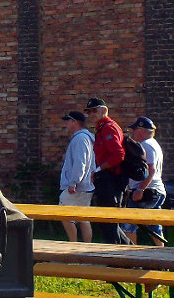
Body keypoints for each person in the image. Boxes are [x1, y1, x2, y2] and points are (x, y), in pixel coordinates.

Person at [120, 117, 167, 246]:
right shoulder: (154, 144)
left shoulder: (146, 145)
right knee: (153, 227)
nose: (132, 133)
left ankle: (133, 257)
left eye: (134, 130)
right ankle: (162, 257)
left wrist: (140, 189)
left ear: (140, 130)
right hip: (157, 190)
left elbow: (151, 170)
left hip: (147, 191)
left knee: (128, 226)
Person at [85, 97, 124, 244]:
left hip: (111, 180)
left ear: (104, 110)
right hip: (107, 179)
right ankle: (127, 259)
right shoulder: (102, 128)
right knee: (109, 224)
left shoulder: (108, 127)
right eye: (89, 112)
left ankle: (116, 261)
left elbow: (118, 155)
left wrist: (99, 169)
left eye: (94, 110)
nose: (91, 114)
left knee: (109, 224)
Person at [58, 110, 95, 243]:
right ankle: (86, 249)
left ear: (75, 122)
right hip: (85, 186)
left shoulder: (80, 139)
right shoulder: (85, 138)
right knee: (83, 218)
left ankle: (73, 245)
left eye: (68, 120)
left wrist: (73, 182)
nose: (66, 124)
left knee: (62, 213)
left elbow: (81, 162)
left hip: (77, 186)